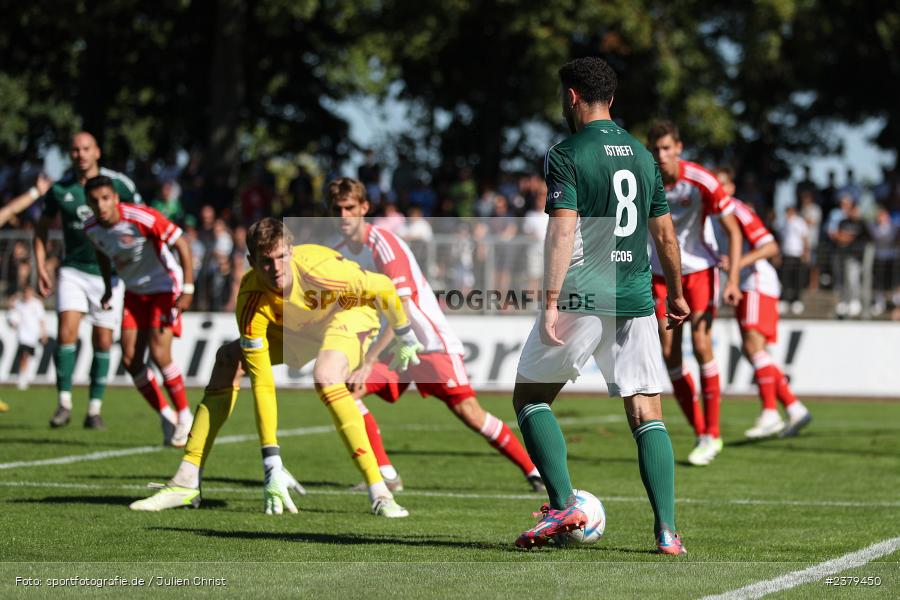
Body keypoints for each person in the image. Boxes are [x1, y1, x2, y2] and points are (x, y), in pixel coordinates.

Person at [511, 57, 690, 554]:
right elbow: (665, 234)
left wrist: (550, 302)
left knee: (530, 398)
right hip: (635, 298)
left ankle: (564, 502)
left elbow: (563, 227)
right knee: (647, 412)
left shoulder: (566, 152)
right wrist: (675, 291)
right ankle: (668, 532)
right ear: (611, 97)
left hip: (584, 294)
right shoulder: (641, 153)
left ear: (571, 96)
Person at [129, 218, 420, 518]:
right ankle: (186, 482)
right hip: (299, 328)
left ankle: (380, 493)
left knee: (326, 375)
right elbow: (263, 383)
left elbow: (385, 288)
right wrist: (272, 462)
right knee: (228, 359)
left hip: (349, 313)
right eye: (266, 261)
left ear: (291, 252)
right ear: (251, 262)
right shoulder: (251, 299)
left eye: (281, 257)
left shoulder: (324, 272)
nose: (276, 268)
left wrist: (405, 333)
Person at [330, 178, 544, 492]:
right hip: (394, 350)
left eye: (349, 208)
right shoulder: (338, 256)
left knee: (470, 413)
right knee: (345, 393)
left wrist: (369, 358)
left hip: (428, 343)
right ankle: (386, 476)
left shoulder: (384, 245)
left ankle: (534, 471)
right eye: (336, 210)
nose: (343, 215)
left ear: (364, 208)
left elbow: (399, 308)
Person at [646, 121, 744, 467]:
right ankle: (702, 432)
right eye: (655, 149)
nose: (660, 155)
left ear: (678, 148)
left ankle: (713, 431)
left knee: (702, 345)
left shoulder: (701, 181)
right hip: (659, 275)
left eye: (666, 148)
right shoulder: (643, 180)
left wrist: (732, 280)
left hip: (700, 272)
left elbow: (734, 231)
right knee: (670, 354)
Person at [34, 132, 139, 430]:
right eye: (75, 150)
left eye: (85, 149)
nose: (80, 154)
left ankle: (94, 409)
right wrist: (41, 266)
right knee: (66, 331)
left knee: (103, 340)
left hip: (111, 275)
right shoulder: (60, 189)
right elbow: (40, 230)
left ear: (97, 152)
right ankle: (64, 403)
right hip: (73, 270)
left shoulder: (119, 185)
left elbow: (144, 219)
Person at [83, 176, 195, 446]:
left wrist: (189, 288)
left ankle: (185, 416)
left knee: (159, 353)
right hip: (133, 293)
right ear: (88, 202)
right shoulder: (91, 228)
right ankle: (166, 417)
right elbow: (102, 251)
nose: (101, 205)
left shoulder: (142, 218)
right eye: (95, 200)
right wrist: (109, 288)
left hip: (164, 287)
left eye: (106, 198)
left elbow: (181, 242)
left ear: (116, 198)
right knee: (131, 360)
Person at [715, 169, 812, 438]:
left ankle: (770, 412)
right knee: (755, 352)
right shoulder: (712, 215)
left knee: (753, 347)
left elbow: (770, 247)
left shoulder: (738, 210)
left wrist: (736, 265)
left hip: (757, 282)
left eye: (722, 185)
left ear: (731, 188)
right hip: (744, 284)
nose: (718, 190)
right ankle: (794, 408)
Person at [7, 286, 48, 391]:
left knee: (27, 357)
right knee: (24, 356)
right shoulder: (19, 303)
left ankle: (24, 377)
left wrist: (43, 333)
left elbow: (41, 319)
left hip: (33, 336)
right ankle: (22, 379)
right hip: (22, 336)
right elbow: (11, 306)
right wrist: (16, 296)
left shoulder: (36, 304)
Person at [778, 204, 810, 314]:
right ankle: (784, 300)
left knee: (797, 278)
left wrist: (805, 252)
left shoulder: (799, 222)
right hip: (786, 254)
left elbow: (805, 237)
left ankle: (797, 300)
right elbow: (781, 239)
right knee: (785, 278)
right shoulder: (783, 223)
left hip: (797, 254)